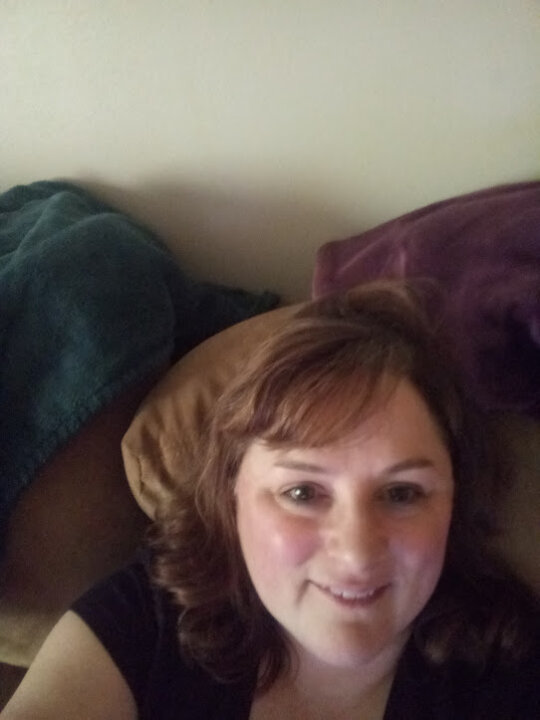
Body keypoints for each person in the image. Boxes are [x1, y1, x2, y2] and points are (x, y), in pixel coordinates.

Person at [3, 282, 539, 719]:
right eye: (302, 492)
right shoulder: (145, 623)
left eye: (402, 493)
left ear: (454, 500)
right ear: (231, 496)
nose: (356, 553)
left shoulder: (512, 671)